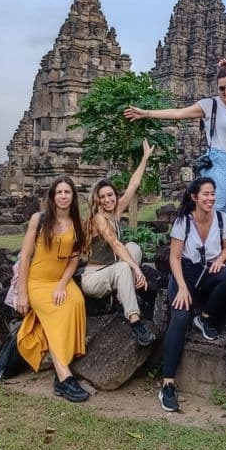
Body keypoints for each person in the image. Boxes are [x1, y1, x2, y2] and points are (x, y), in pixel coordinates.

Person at [124, 64, 226, 251]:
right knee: (214, 208)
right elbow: (178, 113)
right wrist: (146, 113)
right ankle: (204, 252)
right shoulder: (210, 104)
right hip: (219, 165)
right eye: (222, 88)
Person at [160, 176, 226, 413]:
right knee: (179, 317)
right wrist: (183, 288)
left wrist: (220, 260)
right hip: (184, 273)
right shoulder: (182, 222)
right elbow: (174, 258)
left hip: (208, 272)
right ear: (194, 197)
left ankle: (206, 317)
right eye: (206, 194)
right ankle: (168, 383)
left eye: (213, 193)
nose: (211, 198)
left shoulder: (221, 218)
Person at [15, 176, 89, 403]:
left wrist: (61, 284)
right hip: (37, 282)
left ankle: (61, 373)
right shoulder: (39, 219)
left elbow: (74, 260)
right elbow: (25, 257)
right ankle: (64, 377)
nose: (63, 196)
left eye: (67, 192)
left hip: (60, 281)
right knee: (57, 314)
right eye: (59, 192)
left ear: (73, 197)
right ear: (53, 196)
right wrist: (22, 292)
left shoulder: (78, 223)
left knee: (76, 303)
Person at [80, 140, 156, 347]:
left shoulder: (115, 211)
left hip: (110, 272)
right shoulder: (98, 218)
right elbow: (114, 244)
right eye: (102, 197)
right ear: (97, 200)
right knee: (125, 262)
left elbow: (133, 185)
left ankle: (123, 296)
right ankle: (135, 322)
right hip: (93, 279)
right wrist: (137, 270)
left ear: (115, 195)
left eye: (110, 195)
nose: (107, 200)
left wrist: (145, 158)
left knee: (134, 247)